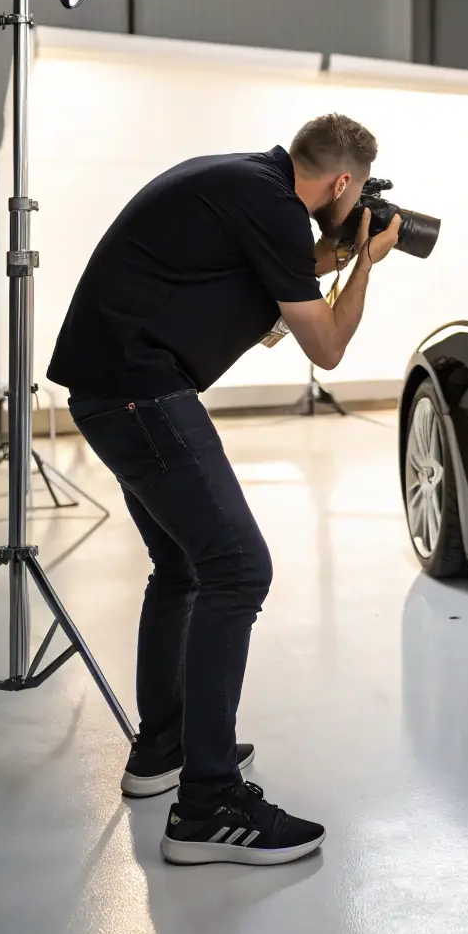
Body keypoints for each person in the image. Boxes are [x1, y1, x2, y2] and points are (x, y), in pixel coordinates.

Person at [47, 114, 399, 867]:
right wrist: (366, 261)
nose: (360, 198)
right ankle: (207, 801)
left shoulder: (251, 185)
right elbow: (328, 346)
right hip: (140, 392)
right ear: (342, 183)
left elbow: (274, 298)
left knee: (183, 565)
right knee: (240, 567)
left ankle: (164, 748)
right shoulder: (269, 204)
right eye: (360, 188)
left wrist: (337, 249)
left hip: (112, 388)